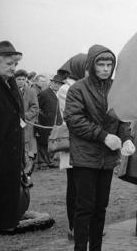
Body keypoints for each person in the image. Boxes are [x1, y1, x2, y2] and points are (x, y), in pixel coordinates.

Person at [64, 44, 134, 251]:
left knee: (100, 207)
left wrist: (127, 138)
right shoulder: (78, 88)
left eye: (109, 64)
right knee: (84, 207)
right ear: (91, 66)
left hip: (107, 158)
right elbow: (74, 120)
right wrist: (103, 136)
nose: (105, 68)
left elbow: (121, 118)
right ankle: (80, 248)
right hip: (85, 156)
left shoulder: (116, 88)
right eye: (101, 64)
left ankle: (96, 247)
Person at [0, 41, 24, 251]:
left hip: (7, 161)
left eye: (15, 63)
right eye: (9, 63)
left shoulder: (9, 85)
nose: (13, 68)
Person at [56, 53, 87, 240]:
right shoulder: (66, 89)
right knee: (75, 187)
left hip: (83, 143)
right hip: (73, 142)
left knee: (84, 187)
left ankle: (83, 226)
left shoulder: (77, 86)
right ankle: (74, 227)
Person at [36, 74, 65, 169]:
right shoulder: (44, 94)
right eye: (55, 83)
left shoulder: (58, 95)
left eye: (59, 84)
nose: (57, 85)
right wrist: (44, 118)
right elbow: (37, 108)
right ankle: (42, 162)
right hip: (44, 124)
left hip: (55, 124)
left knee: (52, 143)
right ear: (51, 83)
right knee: (43, 143)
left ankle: (50, 161)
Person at [16, 69, 39, 170]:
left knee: (27, 146)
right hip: (13, 124)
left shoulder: (31, 91)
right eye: (18, 79)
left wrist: (25, 116)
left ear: (26, 80)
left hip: (27, 124)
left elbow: (35, 107)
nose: (20, 81)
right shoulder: (10, 90)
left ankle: (27, 168)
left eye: (23, 79)